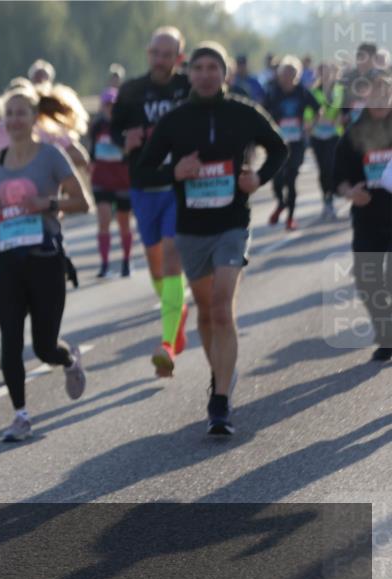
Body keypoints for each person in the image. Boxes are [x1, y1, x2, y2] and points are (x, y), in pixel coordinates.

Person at [138, 42, 288, 436]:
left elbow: (279, 148)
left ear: (224, 74)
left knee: (222, 308)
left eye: (213, 68)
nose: (206, 74)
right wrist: (175, 173)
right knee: (205, 313)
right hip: (190, 231)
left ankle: (219, 401)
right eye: (199, 67)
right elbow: (141, 172)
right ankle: (221, 373)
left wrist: (258, 178)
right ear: (189, 73)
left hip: (232, 224)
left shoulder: (243, 113)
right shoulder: (175, 120)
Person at [0, 80, 89, 442]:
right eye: (9, 114)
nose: (14, 120)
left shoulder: (50, 156)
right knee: (10, 342)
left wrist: (47, 204)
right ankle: (20, 415)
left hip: (46, 260)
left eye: (21, 113)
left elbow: (82, 202)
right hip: (8, 262)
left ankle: (68, 359)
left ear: (34, 117)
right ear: (3, 120)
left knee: (45, 347)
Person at [110, 26, 191, 378]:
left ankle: (167, 345)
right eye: (155, 53)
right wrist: (125, 138)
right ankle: (178, 312)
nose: (160, 60)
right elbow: (114, 133)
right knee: (156, 267)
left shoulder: (187, 88)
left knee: (172, 261)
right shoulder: (130, 91)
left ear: (179, 57)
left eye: (167, 54)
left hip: (178, 186)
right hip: (143, 186)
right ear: (148, 53)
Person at [334, 68, 392, 362]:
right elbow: (339, 177)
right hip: (368, 217)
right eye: (375, 90)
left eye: (386, 89)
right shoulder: (355, 133)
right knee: (368, 280)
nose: (381, 96)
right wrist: (350, 192)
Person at [263, 55, 320, 231]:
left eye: (291, 74)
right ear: (279, 75)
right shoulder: (273, 92)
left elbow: (318, 109)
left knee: (292, 177)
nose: (287, 78)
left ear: (296, 75)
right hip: (277, 143)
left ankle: (290, 218)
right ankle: (281, 203)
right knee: (277, 180)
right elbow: (262, 113)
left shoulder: (302, 92)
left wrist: (311, 126)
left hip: (297, 142)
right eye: (284, 74)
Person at [89, 87, 134, 278]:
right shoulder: (97, 126)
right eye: (107, 104)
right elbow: (91, 152)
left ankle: (125, 261)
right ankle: (105, 263)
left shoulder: (126, 126)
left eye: (113, 105)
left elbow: (132, 152)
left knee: (124, 224)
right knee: (104, 222)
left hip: (123, 181)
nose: (110, 108)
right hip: (101, 181)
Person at [305, 62, 345, 220]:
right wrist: (313, 121)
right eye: (323, 72)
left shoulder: (341, 90)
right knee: (323, 169)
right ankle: (327, 200)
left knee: (331, 166)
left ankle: (336, 191)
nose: (327, 75)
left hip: (334, 134)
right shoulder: (313, 92)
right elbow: (308, 113)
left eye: (329, 72)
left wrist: (338, 120)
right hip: (317, 135)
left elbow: (344, 110)